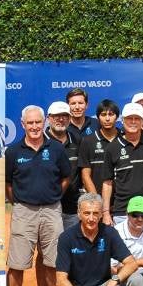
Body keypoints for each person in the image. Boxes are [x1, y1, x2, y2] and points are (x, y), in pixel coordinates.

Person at [5, 105, 72, 286]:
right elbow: (8, 184)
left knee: (52, 261)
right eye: (30, 123)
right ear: (22, 124)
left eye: (37, 122)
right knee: (17, 263)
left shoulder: (56, 149)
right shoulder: (13, 152)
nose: (34, 126)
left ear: (44, 123)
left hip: (52, 210)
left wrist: (51, 196)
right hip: (24, 211)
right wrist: (22, 202)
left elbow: (65, 178)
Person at [46, 101, 82, 256]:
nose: (60, 119)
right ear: (49, 118)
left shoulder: (77, 140)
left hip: (72, 207)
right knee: (47, 252)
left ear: (69, 118)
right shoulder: (39, 141)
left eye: (64, 116)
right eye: (56, 116)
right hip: (47, 207)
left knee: (73, 250)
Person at [76, 99, 118, 197]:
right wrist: (96, 201)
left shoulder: (124, 138)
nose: (107, 119)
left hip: (122, 202)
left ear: (117, 117)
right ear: (98, 117)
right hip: (97, 199)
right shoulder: (88, 141)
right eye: (103, 115)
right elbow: (85, 176)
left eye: (111, 114)